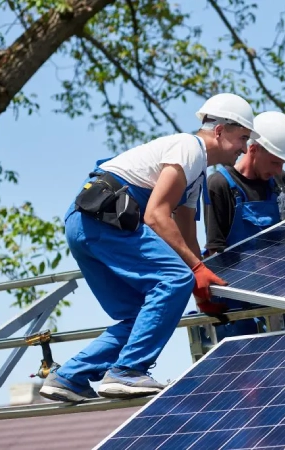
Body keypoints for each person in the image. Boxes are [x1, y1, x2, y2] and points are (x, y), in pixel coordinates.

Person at [39, 93, 257, 403]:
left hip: (86, 224)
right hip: (106, 220)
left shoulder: (195, 175)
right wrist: (193, 272)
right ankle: (127, 371)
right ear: (220, 131)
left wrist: (199, 287)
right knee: (173, 280)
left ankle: (69, 377)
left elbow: (185, 232)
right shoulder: (189, 148)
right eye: (243, 138)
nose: (244, 148)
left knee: (143, 317)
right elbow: (156, 215)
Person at [202, 111, 285, 340]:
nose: (279, 170)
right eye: (275, 162)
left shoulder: (280, 182)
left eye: (283, 164)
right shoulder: (219, 184)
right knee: (245, 372)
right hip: (236, 308)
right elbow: (214, 253)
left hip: (274, 296)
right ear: (253, 149)